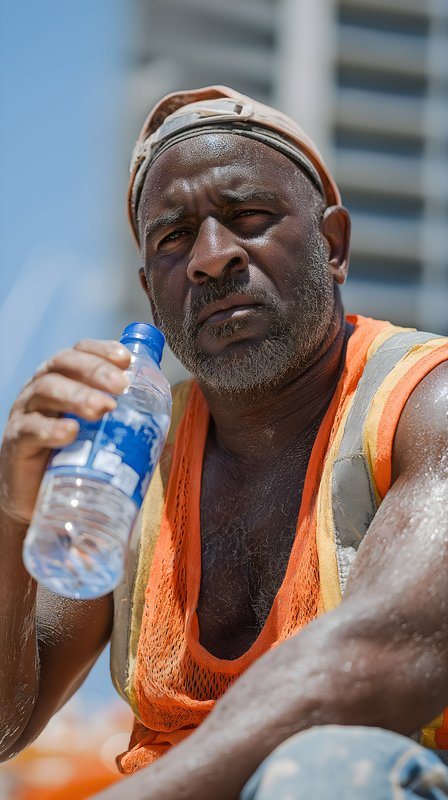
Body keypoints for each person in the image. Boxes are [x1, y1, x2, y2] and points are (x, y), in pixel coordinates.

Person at [0, 85, 447, 800]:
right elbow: (5, 724)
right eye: (174, 237)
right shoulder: (131, 455)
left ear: (333, 245)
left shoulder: (424, 404)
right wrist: (16, 514)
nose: (211, 257)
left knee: (328, 775)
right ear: (152, 292)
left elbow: (380, 661)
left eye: (249, 216)